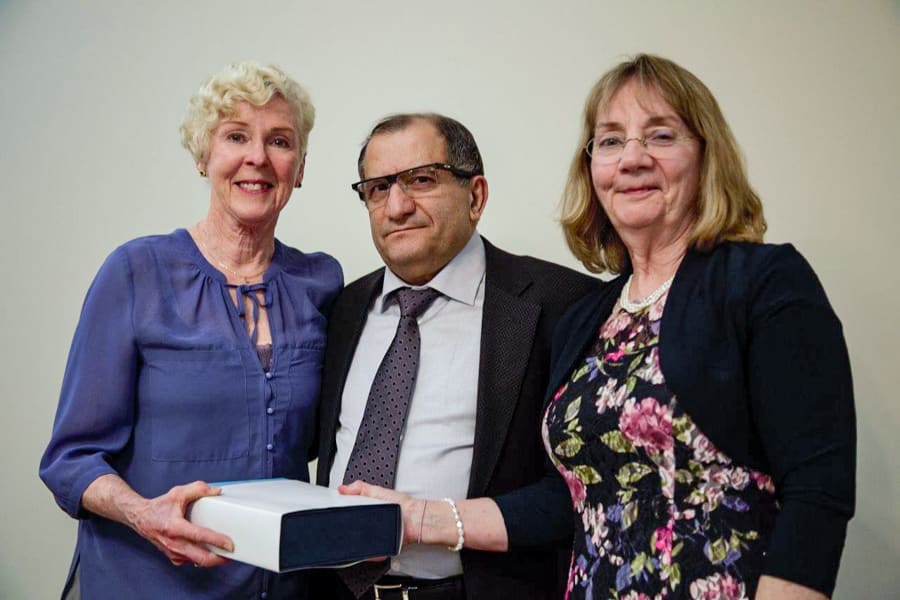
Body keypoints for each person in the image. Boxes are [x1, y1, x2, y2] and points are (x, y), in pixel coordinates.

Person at [344, 56, 855, 599]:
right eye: (610, 142)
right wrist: (420, 517)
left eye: (660, 135)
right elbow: (568, 497)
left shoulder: (762, 282)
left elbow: (817, 491)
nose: (632, 159)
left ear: (707, 156)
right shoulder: (591, 313)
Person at [39, 61, 342, 599]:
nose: (258, 157)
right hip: (148, 584)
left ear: (300, 167)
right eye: (235, 137)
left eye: (280, 140)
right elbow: (70, 459)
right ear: (204, 157)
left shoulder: (321, 282)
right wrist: (143, 514)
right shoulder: (135, 272)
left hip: (283, 588)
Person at [313, 112, 598, 600]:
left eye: (421, 180)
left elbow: (584, 489)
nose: (396, 206)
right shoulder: (342, 309)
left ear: (476, 195)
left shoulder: (562, 305)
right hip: (336, 590)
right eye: (378, 188)